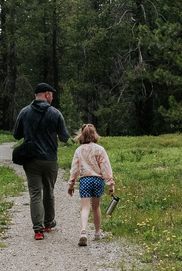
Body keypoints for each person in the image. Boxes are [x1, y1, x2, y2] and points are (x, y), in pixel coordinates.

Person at [13, 83, 71, 240]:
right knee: (49, 191)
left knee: (35, 193)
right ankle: (48, 222)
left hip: (31, 160)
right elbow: (65, 137)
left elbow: (16, 135)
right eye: (51, 94)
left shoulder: (24, 112)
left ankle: (38, 231)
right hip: (50, 160)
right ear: (46, 94)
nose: (52, 97)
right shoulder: (55, 113)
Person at [67, 123, 115, 247]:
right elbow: (105, 167)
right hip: (98, 180)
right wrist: (110, 184)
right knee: (96, 206)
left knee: (85, 208)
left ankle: (83, 232)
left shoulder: (79, 150)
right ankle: (98, 233)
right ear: (95, 135)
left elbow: (74, 168)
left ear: (82, 135)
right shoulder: (100, 149)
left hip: (85, 181)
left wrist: (71, 184)